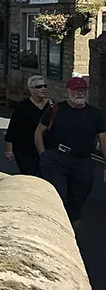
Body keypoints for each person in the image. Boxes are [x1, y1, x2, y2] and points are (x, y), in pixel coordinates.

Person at [35, 77, 106, 229]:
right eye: (75, 90)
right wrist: (43, 155)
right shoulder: (56, 109)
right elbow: (39, 132)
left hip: (83, 163)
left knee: (76, 206)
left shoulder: (95, 114)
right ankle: (53, 231)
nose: (79, 93)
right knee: (57, 198)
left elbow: (103, 140)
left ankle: (70, 238)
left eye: (82, 90)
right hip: (56, 160)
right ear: (68, 91)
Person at [5, 75, 50, 175]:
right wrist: (9, 150)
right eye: (39, 87)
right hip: (24, 148)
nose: (43, 89)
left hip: (44, 147)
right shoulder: (23, 107)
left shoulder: (51, 105)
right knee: (30, 175)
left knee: (44, 175)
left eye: (44, 86)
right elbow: (12, 129)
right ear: (31, 89)